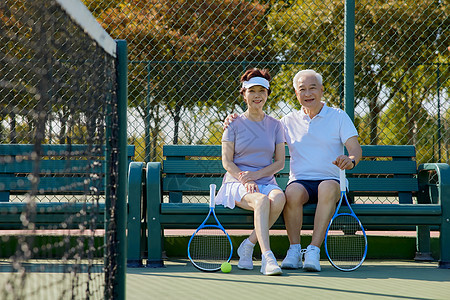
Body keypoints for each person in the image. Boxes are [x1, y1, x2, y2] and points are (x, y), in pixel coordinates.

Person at [224, 69, 362, 272]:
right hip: (301, 182)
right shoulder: (286, 122)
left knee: (326, 188)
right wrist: (232, 119)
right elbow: (260, 128)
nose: (307, 94)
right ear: (296, 94)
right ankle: (295, 250)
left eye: (312, 88)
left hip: (331, 181)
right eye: (302, 89)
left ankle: (313, 250)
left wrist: (350, 161)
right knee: (291, 193)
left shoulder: (339, 116)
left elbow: (355, 150)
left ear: (322, 90)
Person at [215, 68, 286, 276]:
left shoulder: (276, 125)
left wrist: (254, 176)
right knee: (262, 201)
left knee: (279, 198)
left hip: (264, 181)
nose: (257, 95)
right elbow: (227, 162)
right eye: (252, 91)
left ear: (267, 94)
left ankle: (247, 245)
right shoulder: (232, 124)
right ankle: (268, 258)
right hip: (236, 183)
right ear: (244, 94)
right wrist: (244, 179)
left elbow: (280, 162)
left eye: (262, 91)